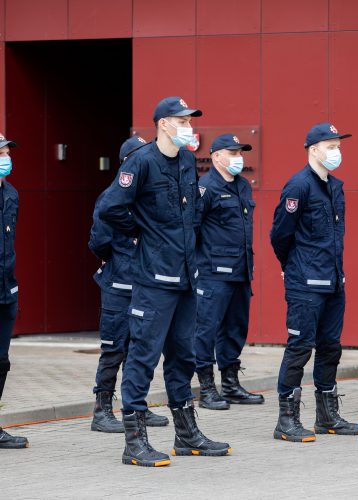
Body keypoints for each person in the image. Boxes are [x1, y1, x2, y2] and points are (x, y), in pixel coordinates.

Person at [99, 96, 231, 467]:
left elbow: (189, 215)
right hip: (154, 279)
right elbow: (111, 207)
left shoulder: (188, 160)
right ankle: (135, 442)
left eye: (190, 120)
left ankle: (187, 434)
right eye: (182, 120)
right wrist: (142, 234)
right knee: (142, 356)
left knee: (182, 357)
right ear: (162, 124)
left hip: (186, 277)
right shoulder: (140, 162)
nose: (189, 126)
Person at [270, 123, 358, 442]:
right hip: (305, 282)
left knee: (330, 348)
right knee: (299, 348)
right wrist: (292, 266)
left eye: (339, 146)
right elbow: (280, 234)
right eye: (331, 146)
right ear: (313, 150)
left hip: (334, 281)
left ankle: (327, 415)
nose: (337, 152)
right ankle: (287, 419)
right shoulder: (298, 186)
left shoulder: (335, 186)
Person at [88, 136, 168, 433]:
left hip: (145, 284)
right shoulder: (112, 196)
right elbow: (99, 241)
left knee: (142, 348)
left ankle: (136, 407)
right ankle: (102, 409)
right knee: (114, 347)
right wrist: (122, 261)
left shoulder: (149, 198)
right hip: (119, 284)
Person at [194, 134, 264, 410]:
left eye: (240, 152)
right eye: (232, 153)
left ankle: (231, 383)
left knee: (235, 328)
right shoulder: (206, 187)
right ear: (216, 157)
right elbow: (194, 230)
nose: (238, 157)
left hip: (241, 270)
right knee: (206, 330)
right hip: (213, 272)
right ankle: (207, 388)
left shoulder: (243, 186)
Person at [0, 133, 28, 449]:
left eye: (7, 151)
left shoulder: (11, 194)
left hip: (7, 290)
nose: (6, 157)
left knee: (1, 362)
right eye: (1, 153)